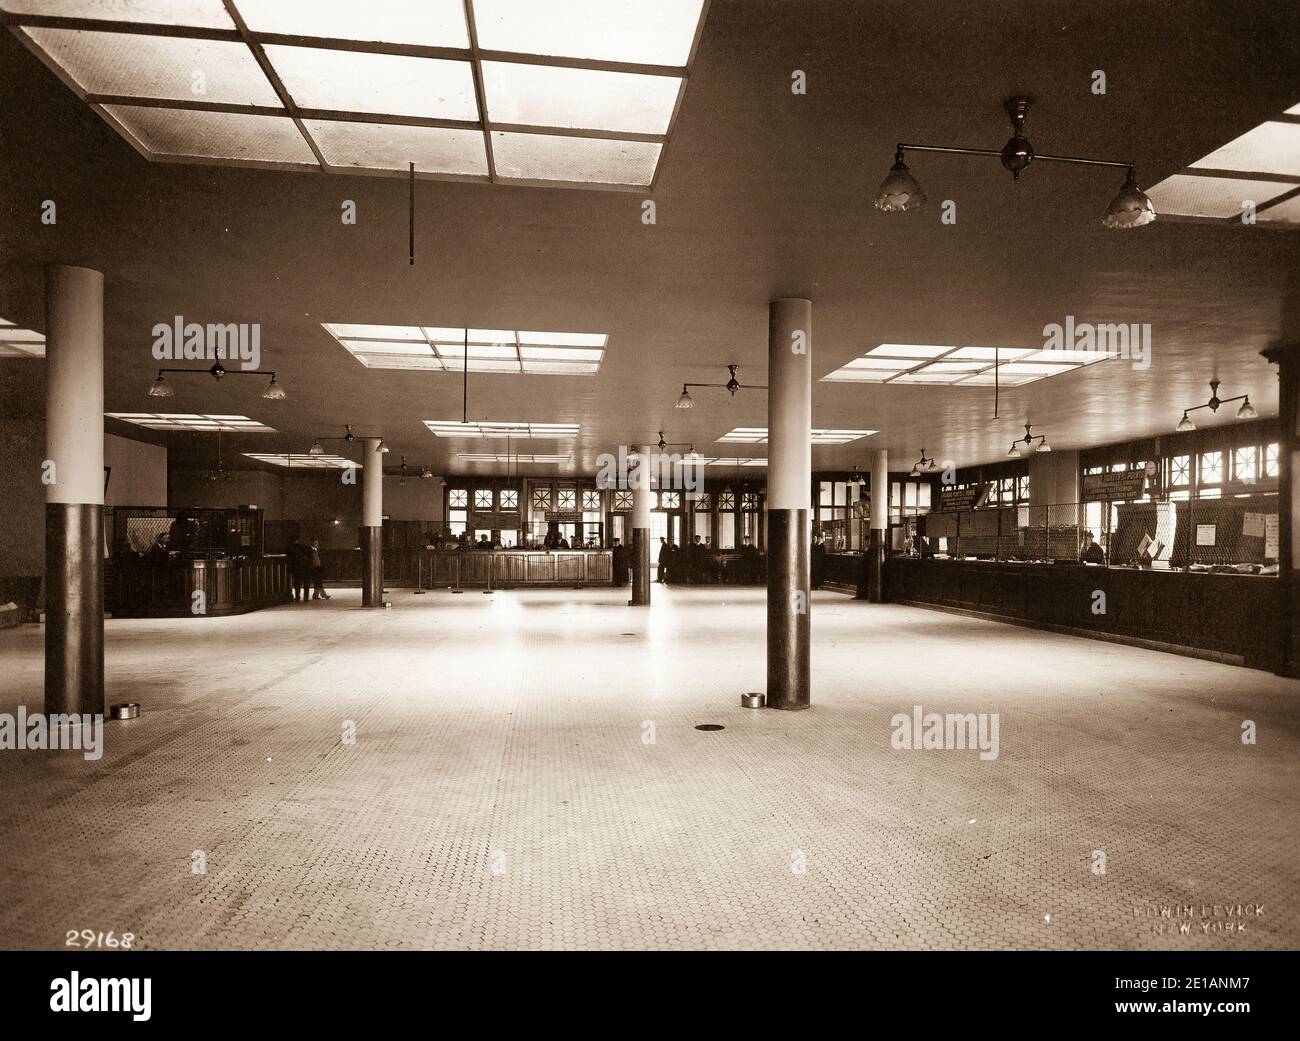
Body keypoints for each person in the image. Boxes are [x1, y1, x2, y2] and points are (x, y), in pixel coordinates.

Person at [288, 535, 310, 602]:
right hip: (305, 567)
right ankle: (306, 597)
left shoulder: (292, 548)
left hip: (297, 568)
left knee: (297, 583)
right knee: (306, 583)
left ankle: (297, 597)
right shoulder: (303, 547)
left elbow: (291, 559)